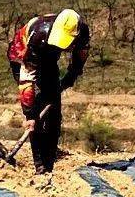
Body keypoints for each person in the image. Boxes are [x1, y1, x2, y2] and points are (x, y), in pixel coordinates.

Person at [7, 9, 90, 174]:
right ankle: (40, 165)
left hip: (49, 57)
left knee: (54, 111)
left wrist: (71, 76)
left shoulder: (82, 31)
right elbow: (26, 81)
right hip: (22, 55)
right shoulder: (37, 37)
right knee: (36, 109)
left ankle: (49, 162)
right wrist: (29, 114)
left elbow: (81, 54)